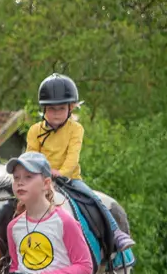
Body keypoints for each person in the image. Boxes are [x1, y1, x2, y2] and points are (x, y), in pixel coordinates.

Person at [27, 73, 135, 255]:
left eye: (61, 109)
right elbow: (31, 156)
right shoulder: (34, 130)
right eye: (51, 109)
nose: (55, 114)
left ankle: (115, 232)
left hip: (69, 179)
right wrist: (39, 174)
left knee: (93, 199)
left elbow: (72, 157)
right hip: (40, 179)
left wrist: (61, 173)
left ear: (71, 108)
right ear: (44, 109)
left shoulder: (76, 129)